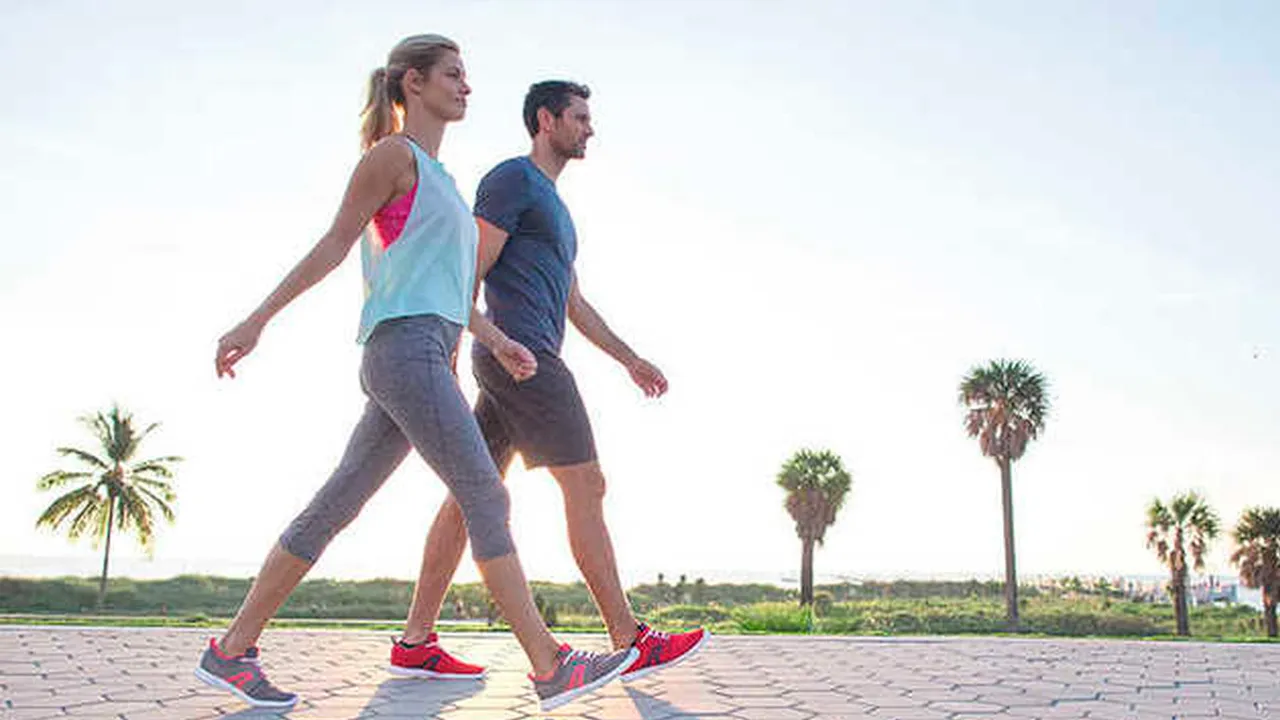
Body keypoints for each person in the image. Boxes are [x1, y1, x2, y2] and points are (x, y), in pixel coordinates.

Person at [193, 37, 636, 712]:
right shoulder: (393, 158)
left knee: (337, 504)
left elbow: (450, 290)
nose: (466, 86)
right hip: (403, 351)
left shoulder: (445, 183)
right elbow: (334, 244)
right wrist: (256, 320)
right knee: (485, 494)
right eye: (453, 74)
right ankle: (550, 666)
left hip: (425, 353)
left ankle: (230, 651)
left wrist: (496, 339)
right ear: (413, 83)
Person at [389, 80, 706, 684]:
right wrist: (464, 345)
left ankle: (415, 642)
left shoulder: (554, 207)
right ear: (546, 120)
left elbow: (574, 303)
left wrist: (629, 359)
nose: (590, 128)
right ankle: (629, 637)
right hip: (522, 358)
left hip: (517, 358)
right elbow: (469, 267)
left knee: (469, 495)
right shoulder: (514, 181)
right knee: (586, 483)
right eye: (579, 117)